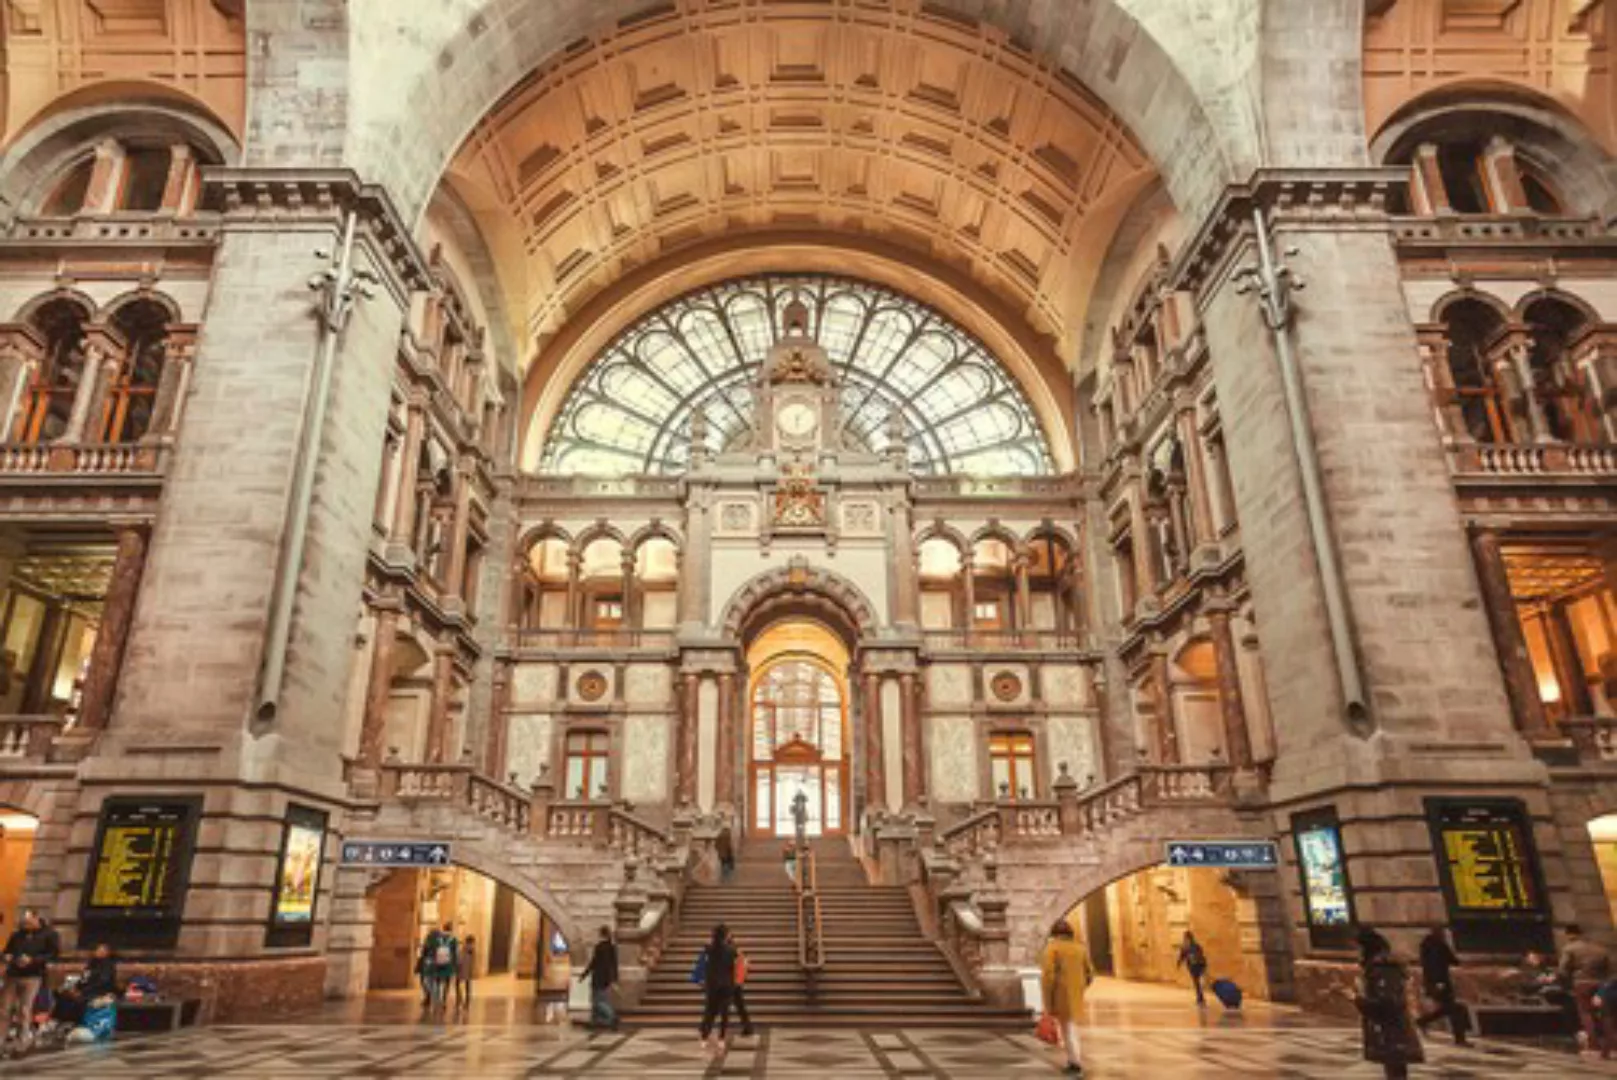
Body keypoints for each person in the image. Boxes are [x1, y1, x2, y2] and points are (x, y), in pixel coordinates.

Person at [1353, 927, 1423, 1080]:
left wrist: (1357, 999)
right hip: (1389, 1029)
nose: (1356, 953)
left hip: (1392, 1029)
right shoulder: (1378, 967)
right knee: (1394, 1068)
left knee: (1396, 1067)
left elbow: (1387, 1003)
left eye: (1358, 948)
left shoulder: (1382, 968)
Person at [1039, 918, 1094, 1077]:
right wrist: (1080, 987)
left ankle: (1075, 1063)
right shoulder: (1080, 948)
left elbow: (1048, 976)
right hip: (1075, 994)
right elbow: (1090, 973)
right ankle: (1072, 1060)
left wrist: (1047, 1000)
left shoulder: (1052, 948)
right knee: (1070, 1028)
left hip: (1059, 995)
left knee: (1068, 1030)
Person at [0, 909, 59, 1045]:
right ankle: (1, 1036)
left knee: (25, 1008)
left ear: (36, 919)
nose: (25, 924)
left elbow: (53, 954)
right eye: (24, 921)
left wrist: (33, 960)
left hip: (33, 975)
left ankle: (22, 1038)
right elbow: (7, 951)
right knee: (5, 1007)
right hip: (13, 974)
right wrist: (7, 957)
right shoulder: (17, 936)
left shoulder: (49, 935)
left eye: (28, 921)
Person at [1559, 923, 1613, 1055]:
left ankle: (1593, 1046)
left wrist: (1566, 983)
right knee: (1606, 1015)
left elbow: (1562, 970)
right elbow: (1610, 970)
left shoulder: (1569, 948)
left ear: (1568, 934)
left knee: (1586, 1013)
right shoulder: (1600, 949)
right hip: (1601, 984)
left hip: (1582, 983)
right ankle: (1612, 1047)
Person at [1415, 926, 1469, 1046]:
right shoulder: (1438, 945)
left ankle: (1422, 1021)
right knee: (1455, 1009)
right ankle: (1460, 1039)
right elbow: (1450, 961)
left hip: (1433, 982)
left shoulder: (1426, 945)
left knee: (1448, 1009)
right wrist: (1439, 982)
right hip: (1440, 982)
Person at [698, 923, 737, 1054]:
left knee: (709, 1011)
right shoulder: (731, 950)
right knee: (724, 1012)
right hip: (726, 984)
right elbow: (732, 967)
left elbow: (705, 965)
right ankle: (721, 1039)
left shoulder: (708, 949)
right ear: (726, 935)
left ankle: (704, 1037)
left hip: (712, 985)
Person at [579, 926, 619, 1031]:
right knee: (601, 999)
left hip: (598, 977)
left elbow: (594, 963)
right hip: (606, 979)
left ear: (601, 934)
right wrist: (613, 979)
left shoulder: (600, 947)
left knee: (598, 1001)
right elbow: (614, 965)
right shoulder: (612, 947)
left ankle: (612, 1016)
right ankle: (595, 1020)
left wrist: (584, 974)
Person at [423, 922, 458, 1012]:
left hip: (438, 962)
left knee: (437, 981)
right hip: (448, 963)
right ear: (451, 929)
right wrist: (455, 965)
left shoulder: (438, 938)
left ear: (443, 928)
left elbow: (432, 949)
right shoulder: (453, 939)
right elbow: (454, 953)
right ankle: (444, 1000)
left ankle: (437, 999)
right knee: (447, 982)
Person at [728, 930, 754, 1038]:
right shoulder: (735, 950)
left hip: (732, 983)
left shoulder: (733, 951)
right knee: (739, 1006)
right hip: (733, 983)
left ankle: (747, 1027)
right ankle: (747, 1027)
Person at [1176, 930, 1209, 1006]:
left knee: (1197, 982)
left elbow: (1200, 954)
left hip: (1197, 966)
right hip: (1196, 966)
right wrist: (1179, 963)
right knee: (1197, 982)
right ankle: (1200, 997)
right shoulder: (1191, 946)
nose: (1184, 939)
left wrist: (1179, 963)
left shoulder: (1191, 946)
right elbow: (1182, 956)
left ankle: (1200, 998)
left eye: (1185, 937)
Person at [454, 934, 477, 1010]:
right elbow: (474, 961)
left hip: (461, 969)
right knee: (468, 985)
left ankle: (459, 998)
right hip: (468, 970)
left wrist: (456, 967)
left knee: (457, 984)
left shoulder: (463, 948)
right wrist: (473, 970)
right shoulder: (473, 950)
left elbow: (459, 959)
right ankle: (467, 1001)